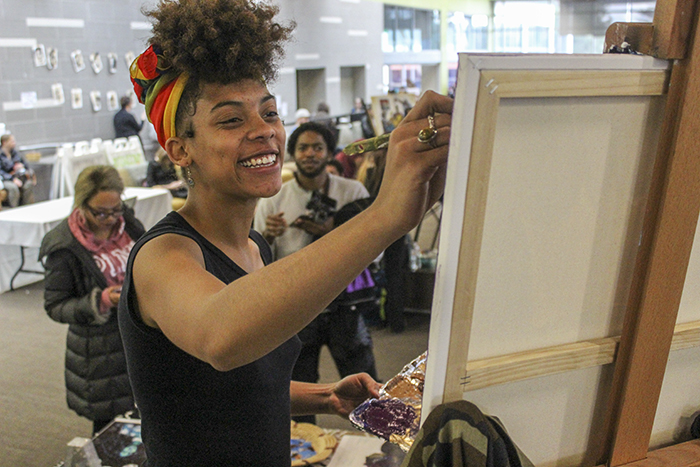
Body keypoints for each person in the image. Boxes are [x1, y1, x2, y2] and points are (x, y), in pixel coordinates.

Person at [119, 0, 452, 464]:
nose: (265, 131)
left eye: (270, 113)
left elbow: (222, 387)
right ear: (180, 149)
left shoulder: (254, 246)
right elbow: (221, 336)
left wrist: (323, 397)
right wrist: (383, 217)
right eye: (232, 119)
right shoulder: (164, 255)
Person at [254, 122, 378, 423]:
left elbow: (377, 247)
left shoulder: (353, 192)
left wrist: (332, 231)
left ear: (329, 152)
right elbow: (255, 261)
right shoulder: (273, 197)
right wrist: (268, 236)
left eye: (317, 147)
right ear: (292, 154)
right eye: (303, 148)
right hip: (297, 309)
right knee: (298, 394)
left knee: (367, 391)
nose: (310, 153)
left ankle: (382, 450)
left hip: (345, 305)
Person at [39, 165, 144, 434]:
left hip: (138, 336)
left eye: (115, 210)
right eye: (100, 212)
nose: (109, 219)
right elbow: (55, 306)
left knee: (146, 420)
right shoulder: (64, 246)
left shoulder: (127, 223)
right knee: (110, 431)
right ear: (81, 205)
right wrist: (101, 301)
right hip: (100, 353)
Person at [0, 134, 35, 207]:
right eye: (11, 141)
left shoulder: (15, 153)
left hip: (19, 176)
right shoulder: (1, 155)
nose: (14, 143)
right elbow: (1, 172)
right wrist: (12, 179)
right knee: (13, 188)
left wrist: (23, 167)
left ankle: (26, 207)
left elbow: (25, 164)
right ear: (4, 142)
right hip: (6, 179)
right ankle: (14, 209)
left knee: (28, 184)